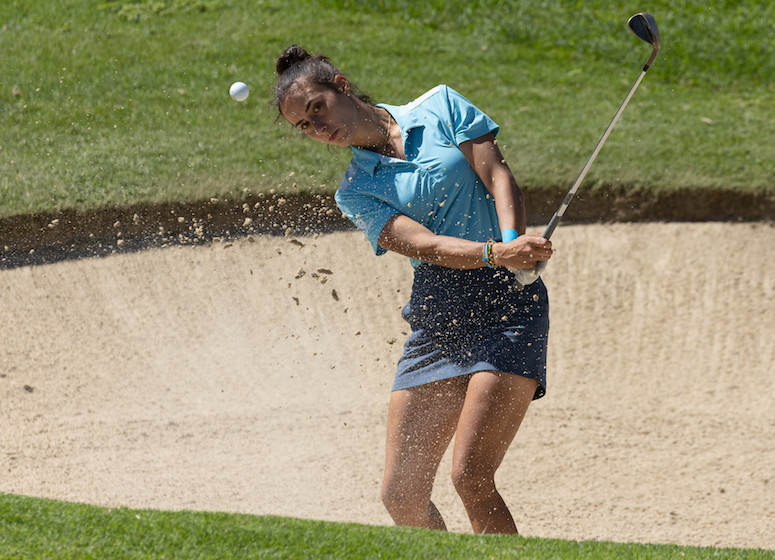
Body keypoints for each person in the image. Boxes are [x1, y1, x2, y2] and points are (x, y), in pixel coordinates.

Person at [273, 45, 553, 535]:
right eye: (304, 126)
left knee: (471, 476)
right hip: (438, 316)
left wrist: (514, 247)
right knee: (400, 492)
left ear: (340, 85)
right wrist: (496, 251)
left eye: (317, 108)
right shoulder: (356, 191)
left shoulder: (440, 105)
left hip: (508, 305)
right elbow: (424, 245)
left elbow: (497, 175)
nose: (318, 127)